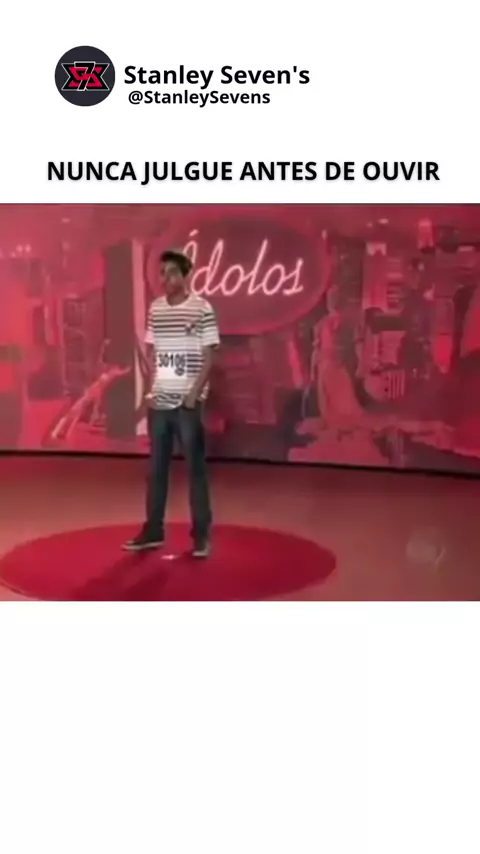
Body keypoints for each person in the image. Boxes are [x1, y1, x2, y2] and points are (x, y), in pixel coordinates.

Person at [123, 249, 220, 557]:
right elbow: (153, 354)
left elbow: (209, 356)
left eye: (172, 272)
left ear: (186, 275)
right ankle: (153, 531)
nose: (165, 279)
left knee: (195, 469)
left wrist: (193, 394)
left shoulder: (202, 308)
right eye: (162, 273)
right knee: (156, 470)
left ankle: (201, 536)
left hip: (187, 404)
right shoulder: (156, 309)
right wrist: (152, 390)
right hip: (160, 403)